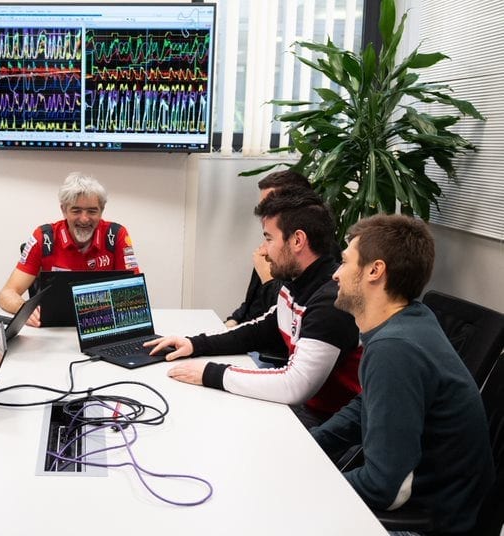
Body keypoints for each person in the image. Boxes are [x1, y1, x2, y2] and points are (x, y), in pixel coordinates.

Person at [310, 214, 493, 534]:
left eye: (345, 262)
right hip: (432, 506)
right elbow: (366, 404)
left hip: (426, 523)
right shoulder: (411, 319)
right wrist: (310, 444)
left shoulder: (395, 349)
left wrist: (314, 485)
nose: (336, 274)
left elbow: (385, 486)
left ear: (375, 270)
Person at [146, 187, 362, 428]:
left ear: (298, 240)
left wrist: (212, 373)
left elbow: (296, 385)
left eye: (269, 238)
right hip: (304, 409)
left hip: (329, 422)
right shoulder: (297, 282)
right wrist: (195, 344)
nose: (264, 249)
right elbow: (262, 329)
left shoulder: (331, 300)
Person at [0, 172, 140, 326]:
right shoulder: (44, 237)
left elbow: (134, 296)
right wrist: (24, 308)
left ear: (102, 210)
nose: (84, 219)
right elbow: (6, 294)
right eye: (76, 211)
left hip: (102, 326)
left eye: (92, 211)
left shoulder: (117, 234)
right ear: (64, 210)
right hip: (52, 331)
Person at [224, 169, 312, 327]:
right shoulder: (272, 244)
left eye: (269, 207)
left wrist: (266, 275)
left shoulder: (311, 254)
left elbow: (286, 317)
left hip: (266, 346)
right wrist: (232, 321)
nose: (263, 215)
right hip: (246, 333)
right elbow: (251, 303)